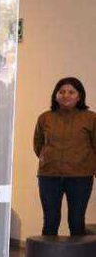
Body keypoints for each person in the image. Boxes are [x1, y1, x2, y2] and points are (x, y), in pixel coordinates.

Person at [33, 77, 96, 237]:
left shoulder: (91, 118)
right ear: (55, 95)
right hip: (49, 177)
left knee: (76, 221)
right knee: (50, 220)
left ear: (79, 96)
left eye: (71, 92)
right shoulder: (45, 118)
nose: (66, 95)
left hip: (80, 177)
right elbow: (38, 145)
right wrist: (47, 160)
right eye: (61, 92)